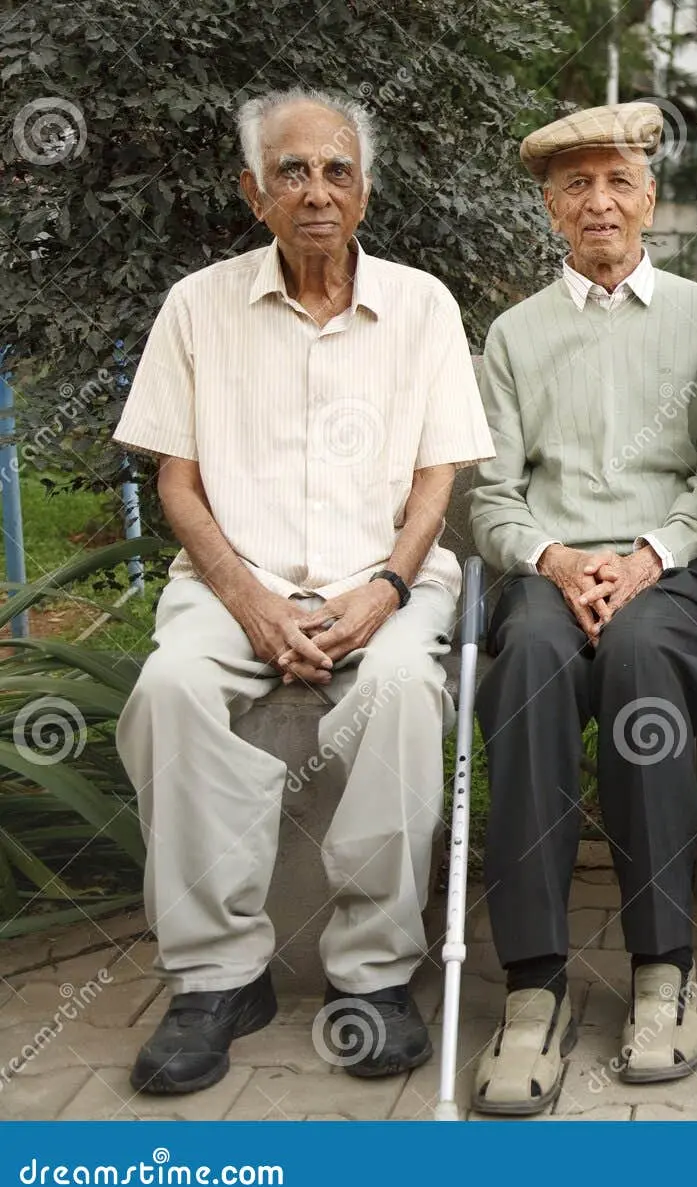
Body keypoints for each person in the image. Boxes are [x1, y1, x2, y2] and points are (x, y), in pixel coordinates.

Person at [115, 89, 495, 1094]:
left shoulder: (420, 304)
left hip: (386, 579)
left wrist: (385, 586)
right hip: (231, 581)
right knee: (170, 692)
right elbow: (177, 485)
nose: (316, 191)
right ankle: (216, 976)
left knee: (406, 689)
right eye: (292, 171)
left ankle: (373, 974)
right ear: (254, 192)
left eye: (336, 171)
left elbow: (435, 482)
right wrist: (249, 602)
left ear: (363, 189)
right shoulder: (196, 307)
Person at [468, 102, 697, 1115]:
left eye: (618, 181)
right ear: (551, 206)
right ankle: (533, 982)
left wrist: (648, 555)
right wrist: (556, 555)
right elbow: (491, 490)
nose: (600, 201)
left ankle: (663, 968)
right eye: (577, 185)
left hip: (670, 568)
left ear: (650, 199)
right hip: (548, 569)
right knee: (529, 666)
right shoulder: (515, 333)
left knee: (638, 659)